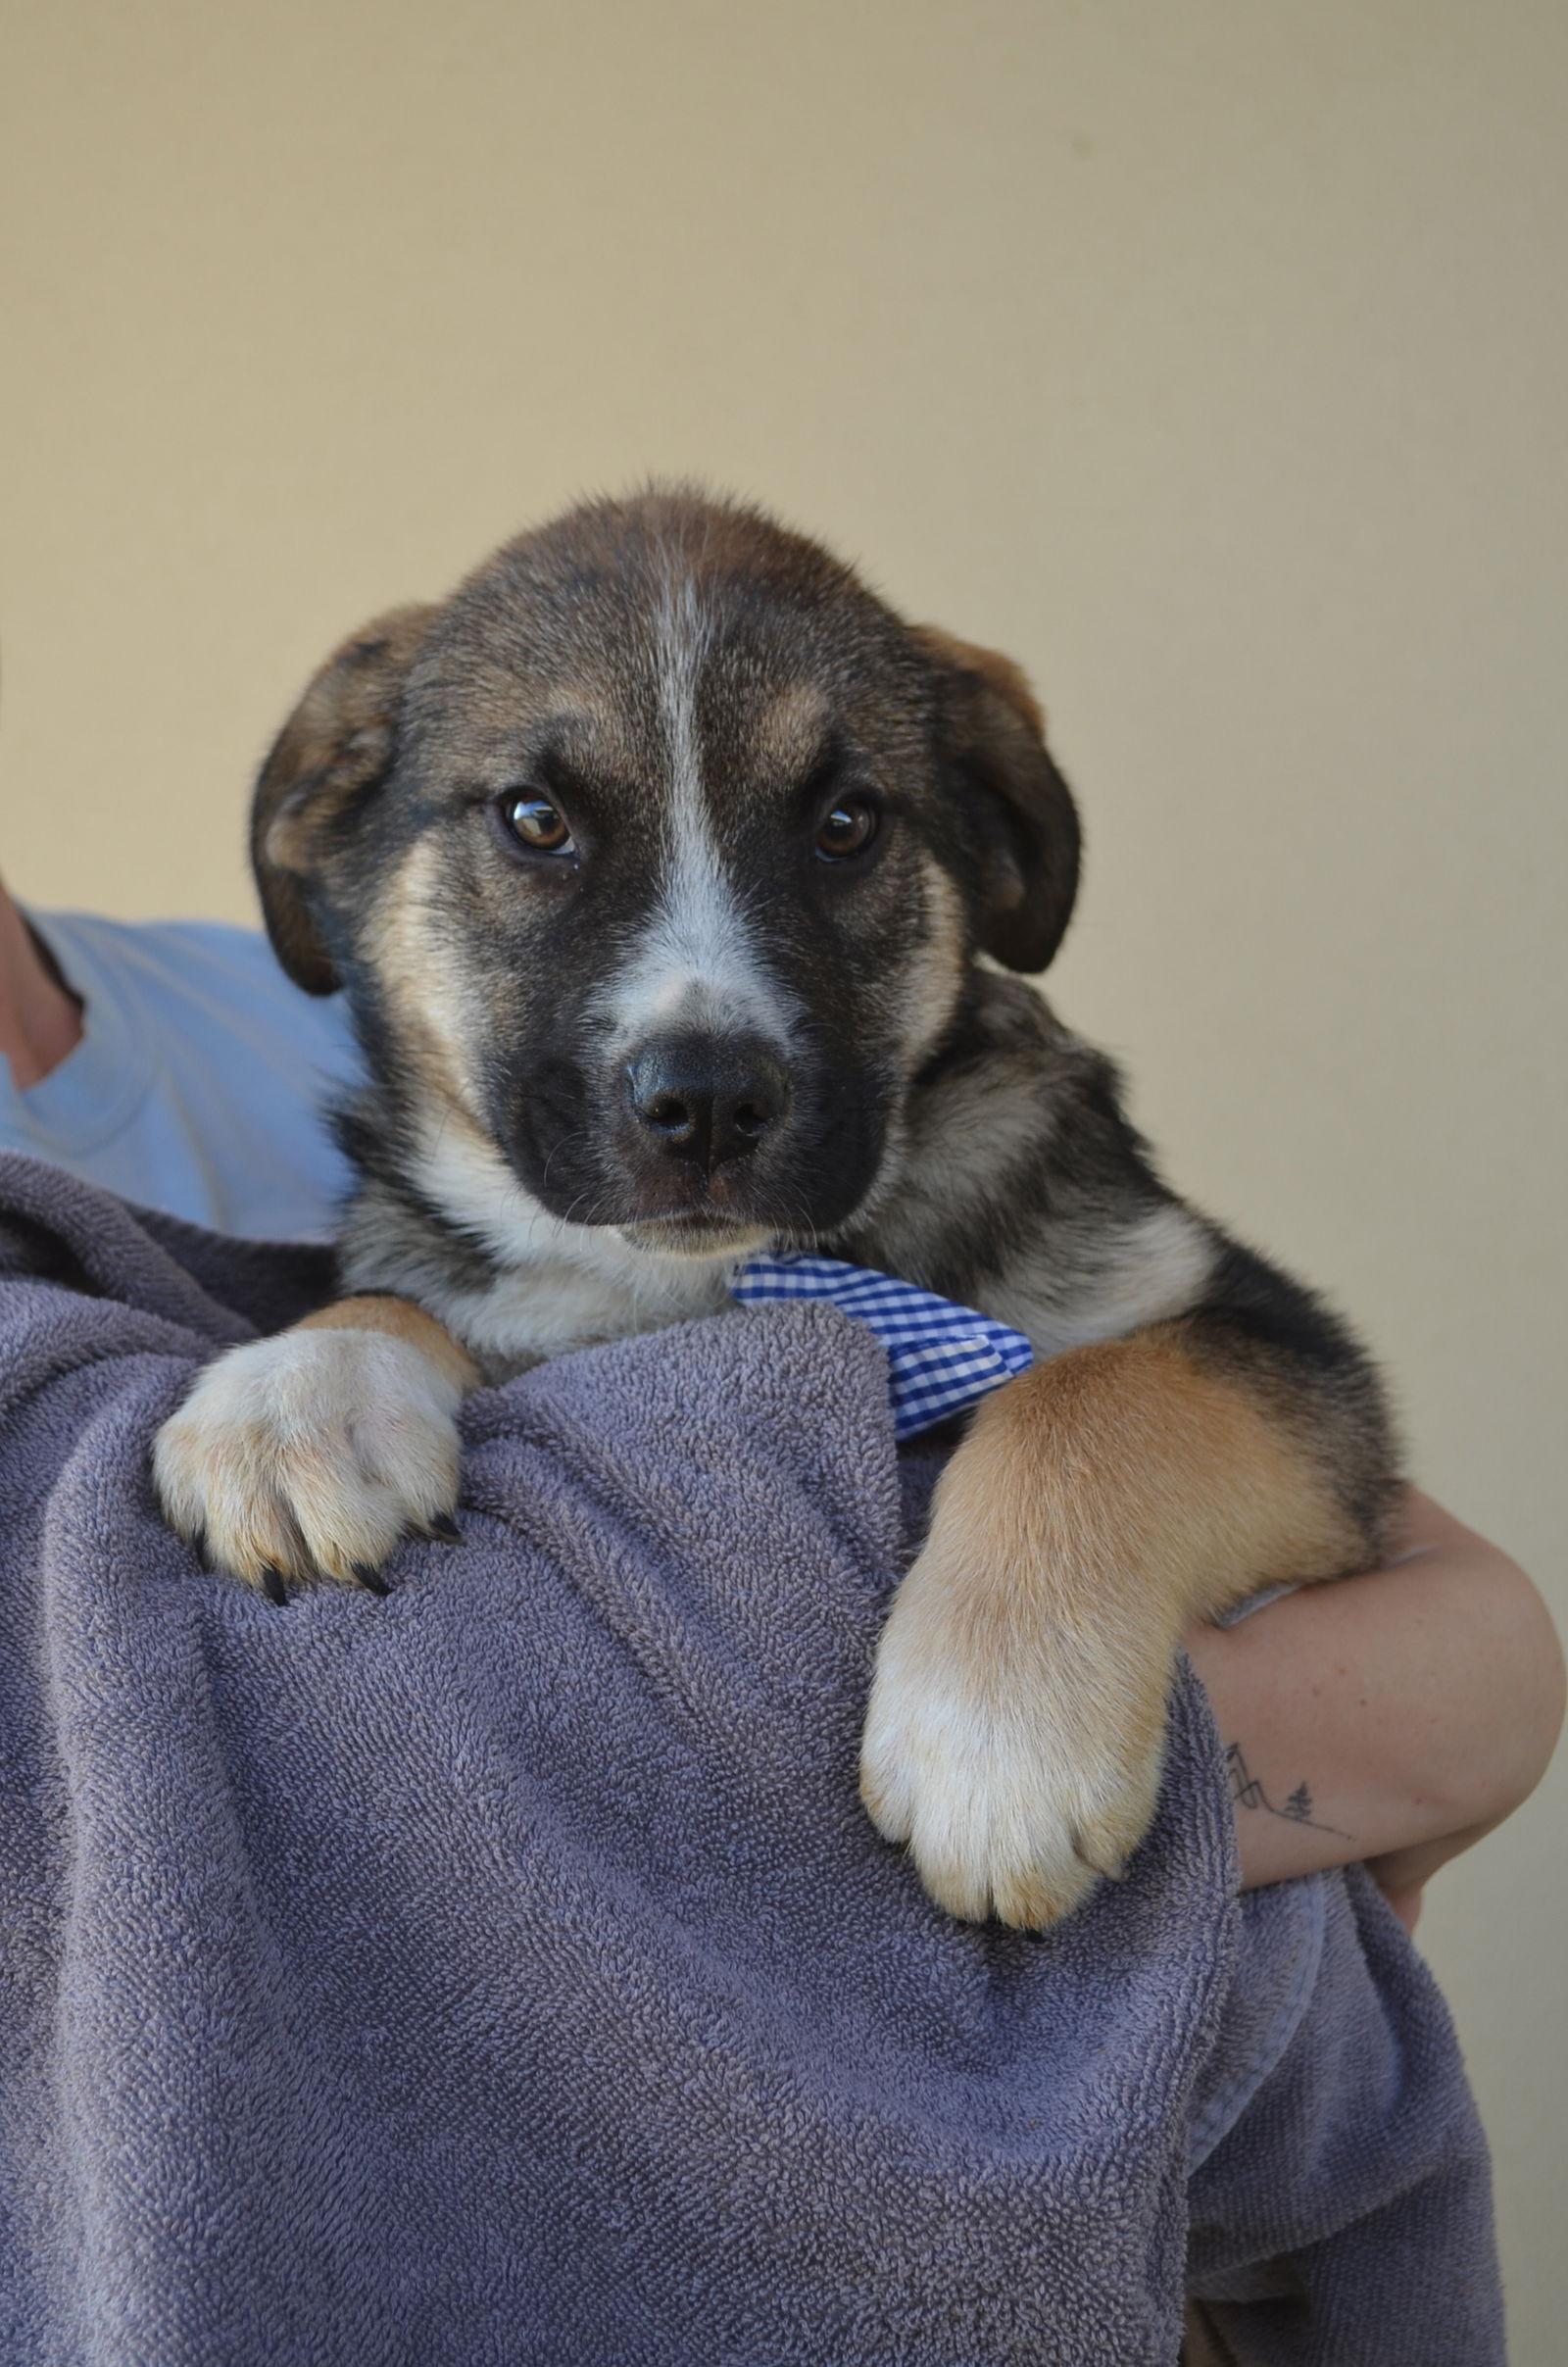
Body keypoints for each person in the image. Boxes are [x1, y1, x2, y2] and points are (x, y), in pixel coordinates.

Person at [0, 878, 1559, 1929]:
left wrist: (1055, 1596)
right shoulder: (427, 1002)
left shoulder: (298, 1003)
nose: (690, 1054)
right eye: (538, 831)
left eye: (838, 834)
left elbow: (1462, 1663)